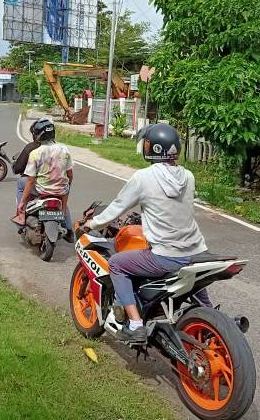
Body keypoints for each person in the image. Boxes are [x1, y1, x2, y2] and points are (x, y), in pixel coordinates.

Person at [83, 123, 210, 345]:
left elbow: (116, 208)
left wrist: (91, 224)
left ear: (151, 148)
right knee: (197, 280)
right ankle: (209, 313)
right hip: (198, 251)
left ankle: (135, 324)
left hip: (166, 256)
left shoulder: (143, 177)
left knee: (117, 264)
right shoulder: (188, 176)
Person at [16, 118, 74, 239]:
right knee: (64, 199)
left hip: (42, 190)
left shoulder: (36, 153)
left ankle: (21, 215)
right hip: (60, 190)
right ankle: (69, 230)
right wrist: (66, 186)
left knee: (21, 183)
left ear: (38, 135)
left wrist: (22, 201)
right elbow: (70, 174)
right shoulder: (64, 149)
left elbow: (30, 180)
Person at [12, 120, 41, 206]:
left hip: (39, 183)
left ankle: (20, 212)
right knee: (63, 207)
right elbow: (69, 174)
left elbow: (18, 168)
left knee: (21, 183)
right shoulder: (60, 149)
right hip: (56, 185)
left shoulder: (32, 148)